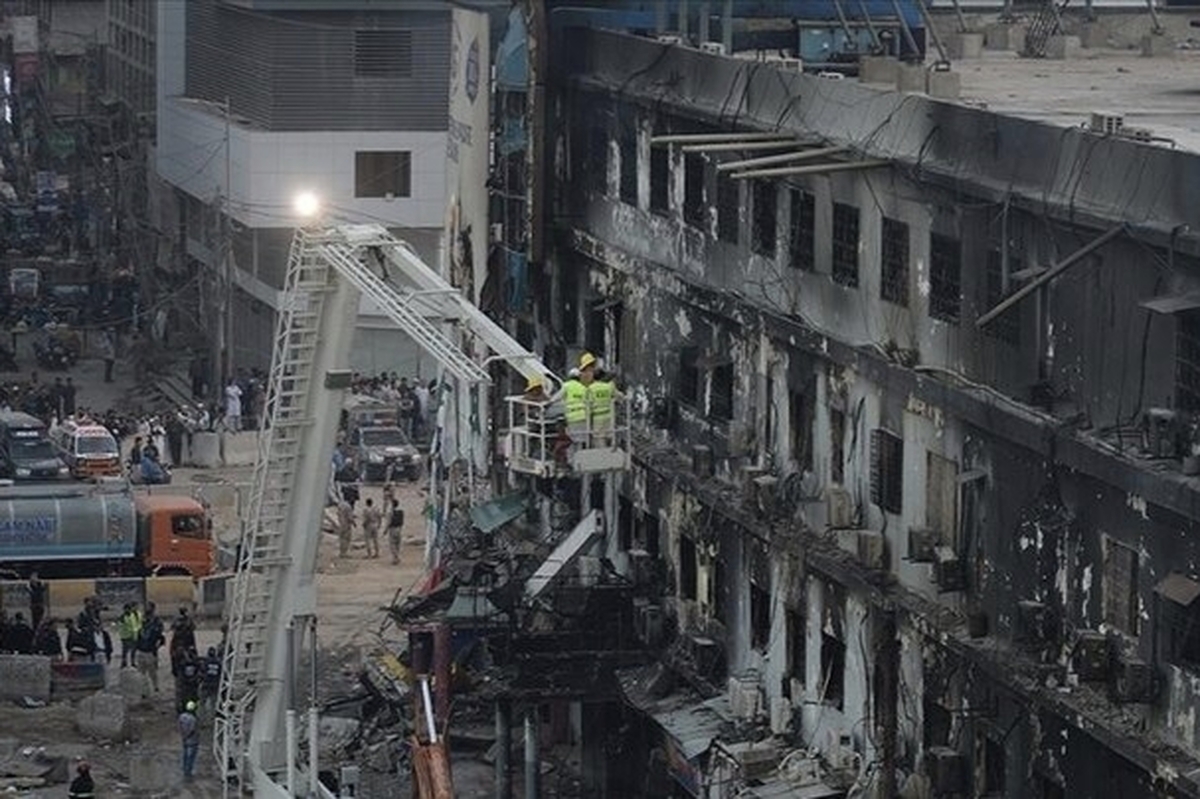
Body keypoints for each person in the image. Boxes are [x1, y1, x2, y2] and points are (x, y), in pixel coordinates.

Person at [136, 603, 166, 692]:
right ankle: (144, 690)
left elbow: (160, 636)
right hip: (142, 649)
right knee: (142, 673)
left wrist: (156, 646)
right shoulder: (142, 620)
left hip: (150, 651)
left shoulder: (157, 621)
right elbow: (139, 634)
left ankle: (155, 686)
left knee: (152, 672)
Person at [559, 362, 590, 447]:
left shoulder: (566, 386)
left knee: (573, 439)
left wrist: (548, 402)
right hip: (583, 415)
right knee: (583, 438)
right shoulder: (584, 388)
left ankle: (575, 453)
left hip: (572, 416)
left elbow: (558, 397)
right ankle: (582, 452)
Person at [179, 699, 200, 781]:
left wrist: (183, 736)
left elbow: (179, 726)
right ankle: (188, 773)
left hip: (184, 739)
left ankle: (184, 770)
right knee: (190, 757)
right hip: (192, 740)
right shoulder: (193, 719)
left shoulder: (182, 716)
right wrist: (187, 736)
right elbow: (192, 730)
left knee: (185, 755)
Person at [118, 602, 142, 668]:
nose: (129, 610)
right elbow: (120, 626)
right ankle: (124, 662)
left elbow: (135, 625)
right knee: (125, 650)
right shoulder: (122, 617)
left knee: (133, 650)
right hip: (125, 636)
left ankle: (132, 662)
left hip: (133, 635)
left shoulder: (132, 615)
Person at [200, 646, 222, 714]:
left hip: (207, 683)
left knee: (202, 701)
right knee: (214, 702)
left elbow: (202, 671)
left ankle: (202, 715)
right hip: (215, 684)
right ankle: (213, 715)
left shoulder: (206, 662)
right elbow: (220, 673)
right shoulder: (218, 662)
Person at [386, 499, 405, 565]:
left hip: (393, 529)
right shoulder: (401, 512)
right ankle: (397, 556)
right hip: (399, 528)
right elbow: (402, 521)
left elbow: (389, 521)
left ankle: (395, 558)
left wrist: (385, 530)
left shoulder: (391, 512)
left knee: (392, 544)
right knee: (398, 544)